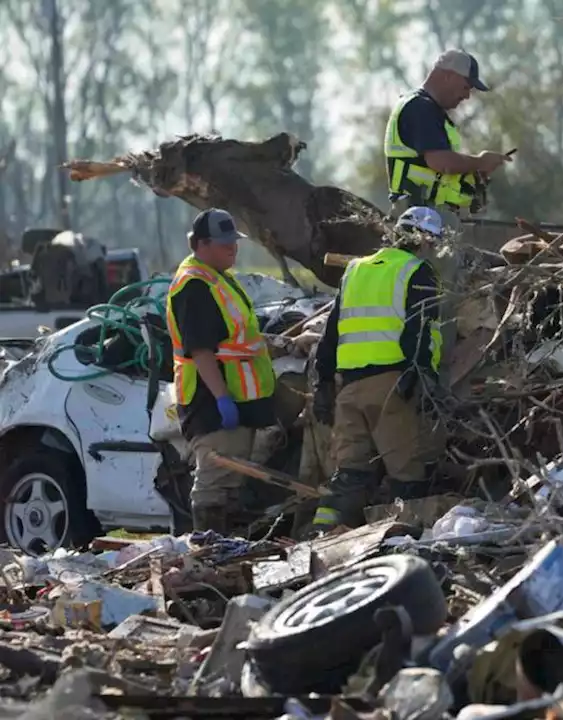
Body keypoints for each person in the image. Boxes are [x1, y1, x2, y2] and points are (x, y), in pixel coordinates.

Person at [309, 206, 449, 533]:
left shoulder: (356, 269)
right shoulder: (418, 271)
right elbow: (421, 330)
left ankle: (319, 541)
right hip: (392, 387)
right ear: (426, 240)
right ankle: (405, 545)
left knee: (349, 475)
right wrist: (422, 377)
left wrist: (324, 382)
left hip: (350, 389)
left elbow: (332, 332)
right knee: (408, 476)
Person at [165, 209, 276, 533]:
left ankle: (225, 552)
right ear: (200, 244)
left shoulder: (217, 278)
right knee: (215, 480)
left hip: (236, 399)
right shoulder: (194, 285)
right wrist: (222, 399)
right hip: (211, 401)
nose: (233, 248)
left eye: (234, 242)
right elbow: (200, 350)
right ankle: (207, 552)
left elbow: (236, 338)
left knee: (231, 482)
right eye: (224, 243)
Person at [385, 49, 511, 220]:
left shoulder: (424, 108)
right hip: (420, 218)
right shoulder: (421, 108)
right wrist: (480, 162)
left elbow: (436, 171)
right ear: (448, 76)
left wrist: (472, 176)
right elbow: (441, 162)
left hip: (424, 214)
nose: (467, 96)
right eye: (466, 87)